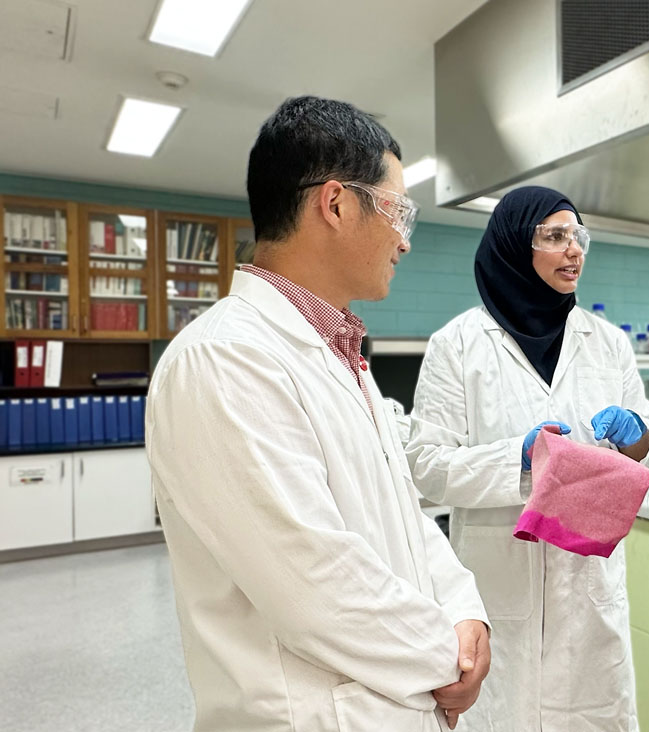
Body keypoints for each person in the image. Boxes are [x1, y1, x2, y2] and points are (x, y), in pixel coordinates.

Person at [147, 96, 490, 732]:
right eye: (397, 211)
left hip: (399, 694)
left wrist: (466, 612)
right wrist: (447, 654)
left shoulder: (339, 352)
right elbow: (310, 581)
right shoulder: (224, 358)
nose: (404, 240)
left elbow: (403, 514)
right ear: (335, 204)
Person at [406, 186, 649, 731]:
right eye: (555, 236)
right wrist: (518, 462)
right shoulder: (458, 345)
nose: (574, 250)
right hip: (500, 591)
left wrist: (636, 435)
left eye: (579, 236)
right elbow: (425, 466)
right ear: (515, 245)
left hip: (587, 594)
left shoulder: (607, 342)